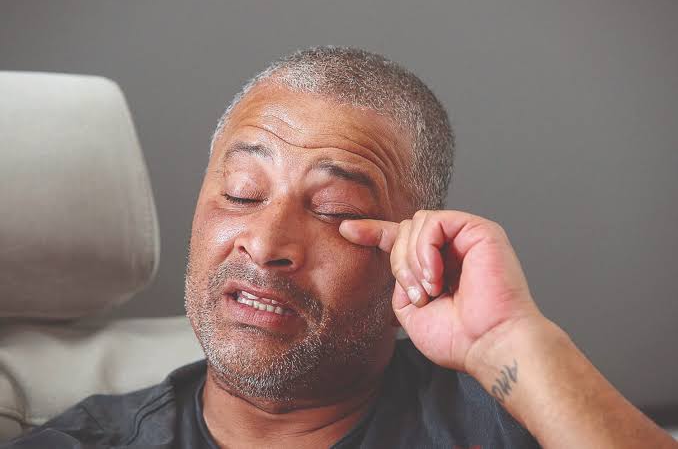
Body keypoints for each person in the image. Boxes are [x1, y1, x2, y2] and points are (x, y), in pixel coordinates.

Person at [4, 46, 676, 449]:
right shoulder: (81, 442)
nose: (265, 244)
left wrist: (512, 342)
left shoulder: (513, 424)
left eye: (336, 211)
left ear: (411, 249)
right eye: (241, 193)